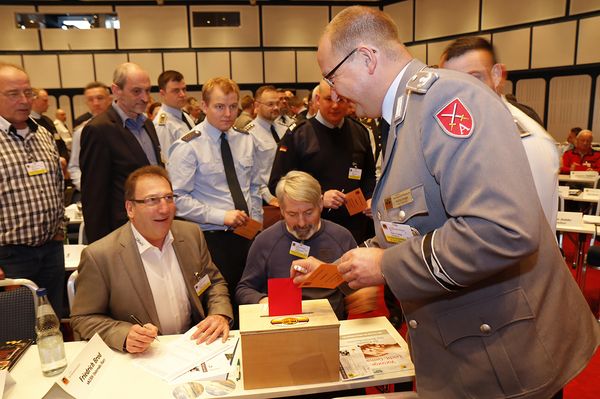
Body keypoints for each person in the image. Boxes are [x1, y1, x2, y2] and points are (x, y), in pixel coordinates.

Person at [292, 6, 599, 399]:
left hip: (504, 357)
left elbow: (501, 231)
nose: (333, 92)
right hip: (469, 345)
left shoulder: (446, 101)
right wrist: (348, 265)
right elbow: (419, 221)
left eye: (332, 76)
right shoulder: (407, 113)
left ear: (367, 57)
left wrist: (388, 265)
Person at [71, 166, 232, 353]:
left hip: (194, 347)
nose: (164, 209)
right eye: (152, 200)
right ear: (130, 208)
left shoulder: (191, 235)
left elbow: (214, 283)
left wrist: (219, 314)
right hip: (142, 357)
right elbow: (83, 318)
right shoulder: (100, 256)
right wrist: (123, 335)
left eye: (169, 198)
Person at [440, 36, 559, 232]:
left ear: (496, 75)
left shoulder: (523, 141)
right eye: (450, 83)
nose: (460, 93)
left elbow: (519, 230)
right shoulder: (469, 129)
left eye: (473, 78)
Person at [167, 77, 262, 322]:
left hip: (247, 236)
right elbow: (177, 199)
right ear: (204, 106)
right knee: (218, 305)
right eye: (220, 106)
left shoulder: (245, 139)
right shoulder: (188, 146)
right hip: (211, 239)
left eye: (233, 106)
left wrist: (257, 225)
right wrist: (222, 216)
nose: (228, 113)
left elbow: (253, 186)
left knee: (247, 302)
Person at [236, 171, 358, 320]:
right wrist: (264, 301)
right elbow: (244, 289)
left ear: (320, 204)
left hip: (331, 324)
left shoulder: (342, 237)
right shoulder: (265, 241)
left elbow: (359, 287)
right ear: (281, 209)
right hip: (282, 326)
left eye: (308, 212)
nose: (302, 223)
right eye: (292, 214)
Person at [269, 80, 376, 244]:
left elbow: (369, 176)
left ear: (348, 101)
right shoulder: (298, 134)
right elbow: (277, 183)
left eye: (340, 99)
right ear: (317, 100)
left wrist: (370, 198)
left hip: (355, 228)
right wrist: (318, 198)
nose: (335, 105)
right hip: (312, 230)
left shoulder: (360, 132)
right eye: (328, 99)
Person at [0, 62, 65, 314]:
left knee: (53, 321)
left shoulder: (43, 135)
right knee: (17, 331)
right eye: (13, 94)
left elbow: (58, 186)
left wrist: (58, 231)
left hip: (51, 250)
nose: (24, 100)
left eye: (28, 93)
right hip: (10, 256)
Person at [80, 63, 162, 243]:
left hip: (155, 226)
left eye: (148, 91)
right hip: (122, 231)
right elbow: (94, 196)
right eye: (136, 91)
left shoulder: (147, 124)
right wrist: (100, 246)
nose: (145, 98)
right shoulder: (98, 130)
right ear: (116, 90)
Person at [245, 85, 289, 206]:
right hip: (265, 200)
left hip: (288, 194)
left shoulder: (284, 129)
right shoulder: (249, 134)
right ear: (257, 105)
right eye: (270, 104)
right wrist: (268, 198)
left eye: (277, 103)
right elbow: (249, 173)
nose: (276, 108)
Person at [67, 82, 112, 193]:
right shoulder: (81, 131)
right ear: (86, 102)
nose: (95, 103)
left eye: (100, 98)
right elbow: (74, 166)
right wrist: (85, 188)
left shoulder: (123, 126)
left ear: (109, 99)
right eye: (90, 99)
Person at [153, 70, 196, 161]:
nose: (182, 94)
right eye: (176, 91)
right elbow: (167, 162)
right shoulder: (163, 125)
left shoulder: (185, 116)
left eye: (184, 89)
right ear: (162, 94)